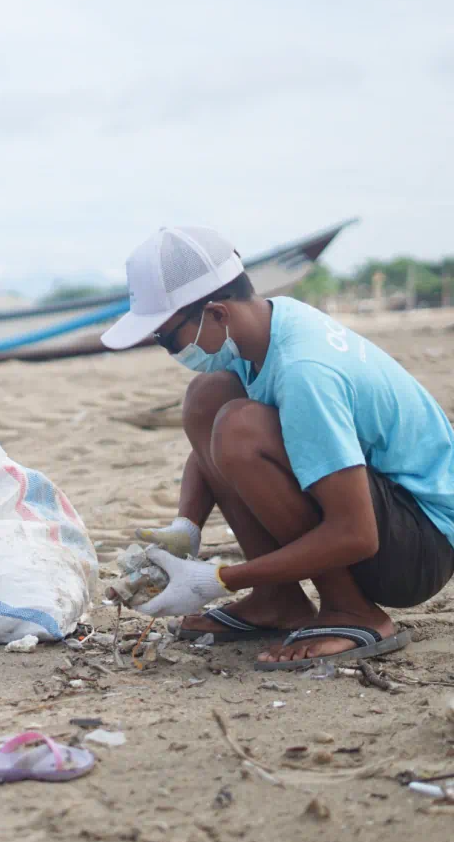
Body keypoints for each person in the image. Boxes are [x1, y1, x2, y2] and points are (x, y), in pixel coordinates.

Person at [100, 227, 454, 670]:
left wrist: (219, 579)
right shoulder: (267, 327)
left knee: (238, 426)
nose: (167, 349)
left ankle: (352, 610)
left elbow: (356, 533)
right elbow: (209, 446)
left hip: (420, 547)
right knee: (208, 397)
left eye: (166, 337)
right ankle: (277, 599)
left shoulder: (305, 371)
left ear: (215, 314)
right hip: (388, 520)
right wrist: (186, 526)